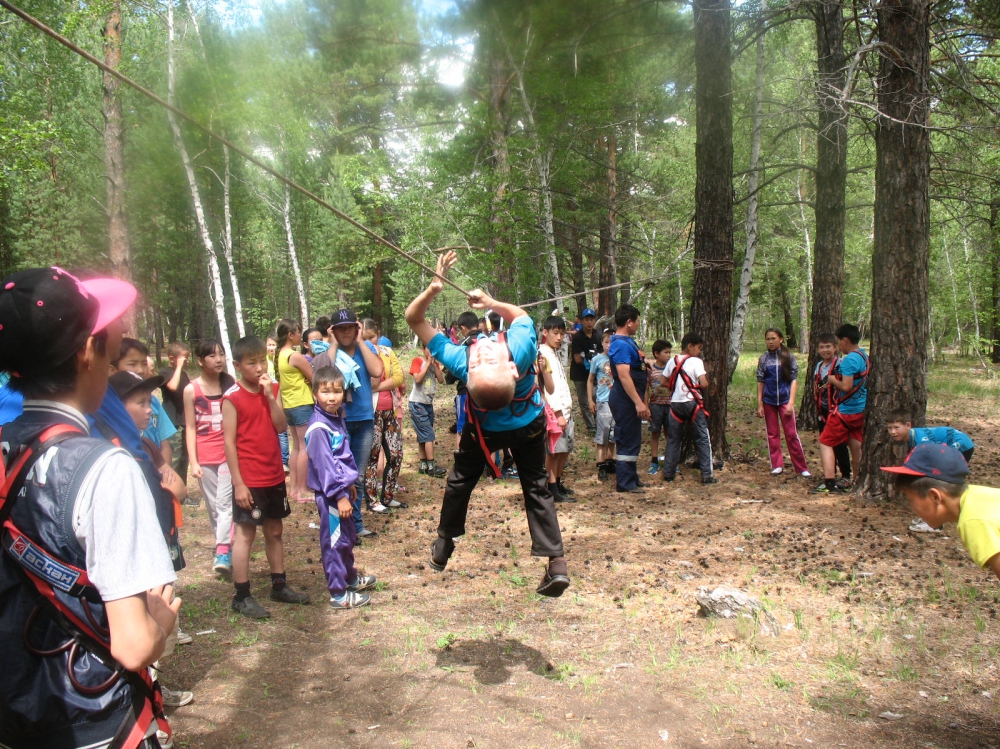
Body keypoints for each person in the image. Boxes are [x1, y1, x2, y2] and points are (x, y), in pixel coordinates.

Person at [0, 267, 179, 748]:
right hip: (96, 721)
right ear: (86, 353)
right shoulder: (106, 468)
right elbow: (134, 645)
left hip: (15, 716)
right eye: (110, 351)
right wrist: (160, 625)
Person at [404, 250, 569, 598]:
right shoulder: (519, 350)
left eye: (481, 362)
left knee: (461, 479)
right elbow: (520, 315)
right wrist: (492, 303)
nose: (480, 354)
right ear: (512, 368)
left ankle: (444, 541)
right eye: (482, 362)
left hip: (485, 431)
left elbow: (413, 319)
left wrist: (434, 288)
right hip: (528, 426)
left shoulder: (462, 360)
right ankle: (556, 561)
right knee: (535, 486)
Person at [107, 370, 194, 709]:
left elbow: (180, 489)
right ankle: (139, 699)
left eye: (151, 403)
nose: (150, 410)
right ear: (114, 407)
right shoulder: (107, 451)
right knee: (137, 626)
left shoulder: (145, 445)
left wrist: (169, 484)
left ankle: (153, 688)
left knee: (160, 623)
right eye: (141, 403)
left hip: (158, 546)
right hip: (130, 558)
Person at [222, 336, 310, 619]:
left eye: (262, 361)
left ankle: (279, 585)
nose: (259, 367)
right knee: (246, 535)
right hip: (249, 480)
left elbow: (281, 426)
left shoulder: (272, 388)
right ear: (237, 366)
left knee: (274, 531)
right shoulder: (232, 397)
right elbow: (228, 443)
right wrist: (238, 483)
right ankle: (241, 595)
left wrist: (271, 397)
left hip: (273, 475)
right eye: (252, 363)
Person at [306, 366, 378, 609]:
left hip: (343, 491)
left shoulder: (336, 419)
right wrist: (339, 495)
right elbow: (325, 467)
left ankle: (349, 578)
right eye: (325, 392)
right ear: (315, 393)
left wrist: (350, 485)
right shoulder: (319, 428)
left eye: (337, 391)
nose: (332, 397)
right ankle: (338, 594)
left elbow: (342, 458)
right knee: (335, 543)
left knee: (347, 538)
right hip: (331, 497)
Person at [882, 444, 1000, 582]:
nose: (911, 507)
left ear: (935, 497)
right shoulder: (980, 495)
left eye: (910, 499)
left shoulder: (974, 521)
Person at [321, 309, 385, 542]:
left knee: (357, 475)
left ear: (357, 329)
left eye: (350, 327)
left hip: (364, 419)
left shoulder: (365, 348)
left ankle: (356, 526)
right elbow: (324, 373)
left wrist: (360, 342)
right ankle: (341, 526)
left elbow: (377, 371)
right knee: (340, 474)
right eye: (341, 328)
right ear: (333, 331)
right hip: (339, 421)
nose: (346, 332)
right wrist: (332, 344)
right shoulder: (329, 352)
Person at [183, 339, 236, 576]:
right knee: (214, 506)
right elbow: (190, 427)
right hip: (204, 456)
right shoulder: (191, 389)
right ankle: (224, 547)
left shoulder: (230, 385)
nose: (218, 360)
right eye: (212, 356)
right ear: (200, 361)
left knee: (224, 504)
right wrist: (193, 461)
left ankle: (222, 551)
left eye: (221, 354)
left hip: (228, 454)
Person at [886, 407, 976, 533]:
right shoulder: (914, 437)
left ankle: (936, 523)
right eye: (889, 428)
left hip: (961, 445)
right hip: (958, 444)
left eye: (896, 427)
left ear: (908, 425)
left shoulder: (921, 441)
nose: (893, 432)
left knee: (934, 480)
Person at [814, 323, 869, 494]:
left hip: (846, 411)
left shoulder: (849, 360)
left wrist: (832, 380)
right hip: (860, 410)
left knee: (825, 442)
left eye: (838, 341)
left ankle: (829, 482)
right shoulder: (863, 355)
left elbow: (846, 386)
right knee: (855, 444)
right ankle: (856, 479)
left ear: (844, 340)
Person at [661, 333, 716, 485]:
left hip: (676, 404)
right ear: (690, 346)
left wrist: (675, 386)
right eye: (699, 348)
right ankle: (707, 475)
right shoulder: (696, 361)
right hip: (693, 404)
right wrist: (695, 386)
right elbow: (704, 383)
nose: (699, 351)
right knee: (702, 438)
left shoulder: (672, 361)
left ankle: (668, 473)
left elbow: (663, 381)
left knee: (673, 439)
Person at [363, 319, 405, 511]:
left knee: (396, 454)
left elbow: (399, 378)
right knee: (372, 456)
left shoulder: (387, 352)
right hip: (370, 412)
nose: (368, 342)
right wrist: (379, 386)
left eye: (371, 337)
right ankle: (372, 500)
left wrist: (377, 387)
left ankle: (388, 495)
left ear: (378, 334)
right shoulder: (359, 354)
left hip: (390, 410)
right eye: (364, 338)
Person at [755, 329, 810, 478]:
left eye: (773, 338)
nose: (770, 342)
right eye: (768, 339)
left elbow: (794, 380)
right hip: (769, 401)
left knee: (791, 434)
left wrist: (791, 402)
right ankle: (776, 465)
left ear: (781, 339)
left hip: (785, 400)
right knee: (772, 433)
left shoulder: (788, 357)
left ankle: (801, 467)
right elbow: (760, 381)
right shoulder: (764, 358)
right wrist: (759, 403)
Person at [608, 304, 649, 493]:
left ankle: (631, 477)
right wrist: (638, 402)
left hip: (631, 398)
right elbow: (624, 376)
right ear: (629, 322)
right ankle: (625, 483)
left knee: (633, 437)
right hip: (625, 400)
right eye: (637, 321)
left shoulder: (627, 342)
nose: (638, 324)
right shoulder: (620, 345)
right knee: (626, 437)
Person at [116, 337, 176, 465]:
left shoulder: (153, 402)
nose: (141, 370)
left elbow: (164, 443)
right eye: (132, 364)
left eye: (144, 364)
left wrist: (164, 471)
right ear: (112, 369)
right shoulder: (109, 405)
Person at [276, 319, 314, 503]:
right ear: (290, 335)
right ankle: (302, 490)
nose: (300, 336)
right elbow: (314, 377)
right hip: (302, 403)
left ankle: (294, 489)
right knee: (305, 447)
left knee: (297, 447)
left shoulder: (280, 355)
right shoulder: (295, 356)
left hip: (289, 404)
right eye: (298, 333)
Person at [539, 315, 575, 502]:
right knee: (553, 451)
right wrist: (558, 413)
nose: (559, 337)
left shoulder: (555, 353)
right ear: (545, 332)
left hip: (566, 409)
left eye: (562, 334)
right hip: (555, 413)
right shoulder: (543, 354)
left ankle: (558, 482)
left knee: (564, 449)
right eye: (555, 333)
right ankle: (551, 487)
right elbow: (548, 389)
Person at [812, 333, 852, 486]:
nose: (825, 350)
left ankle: (846, 475)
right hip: (822, 410)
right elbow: (817, 386)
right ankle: (830, 474)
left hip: (836, 411)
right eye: (821, 347)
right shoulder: (818, 366)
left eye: (828, 346)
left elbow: (844, 384)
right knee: (826, 443)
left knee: (840, 444)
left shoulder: (840, 364)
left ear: (835, 348)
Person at [409, 342, 447, 477]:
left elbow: (441, 380)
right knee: (428, 434)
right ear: (423, 349)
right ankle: (431, 466)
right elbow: (418, 379)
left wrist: (435, 364)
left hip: (428, 404)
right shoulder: (417, 361)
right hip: (417, 403)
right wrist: (426, 364)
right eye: (429, 349)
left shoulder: (434, 364)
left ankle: (423, 464)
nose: (431, 352)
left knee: (423, 435)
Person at [160, 340, 192, 484]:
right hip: (172, 423)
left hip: (184, 422)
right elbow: (172, 387)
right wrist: (178, 367)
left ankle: (182, 490)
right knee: (175, 459)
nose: (187, 361)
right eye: (184, 358)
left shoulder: (183, 374)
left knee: (184, 458)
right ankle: (172, 488)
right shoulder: (165, 372)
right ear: (172, 359)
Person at [588, 328, 617, 482]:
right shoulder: (597, 359)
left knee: (614, 432)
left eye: (612, 342)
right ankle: (601, 464)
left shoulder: (619, 358)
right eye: (606, 342)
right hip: (603, 401)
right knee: (603, 431)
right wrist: (590, 400)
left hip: (617, 401)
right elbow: (590, 380)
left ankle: (610, 460)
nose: (609, 345)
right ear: (602, 343)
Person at [570, 308, 601, 434]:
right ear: (582, 321)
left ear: (594, 320)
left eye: (591, 319)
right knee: (584, 401)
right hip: (580, 374)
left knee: (596, 398)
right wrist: (589, 363)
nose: (589, 322)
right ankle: (591, 427)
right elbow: (577, 358)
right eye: (586, 320)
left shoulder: (598, 336)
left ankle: (599, 423)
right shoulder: (577, 337)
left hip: (595, 375)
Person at [646, 339, 673, 476]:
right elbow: (646, 389)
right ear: (657, 354)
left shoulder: (672, 369)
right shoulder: (650, 370)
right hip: (655, 405)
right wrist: (646, 406)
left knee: (670, 433)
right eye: (666, 352)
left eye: (669, 352)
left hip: (670, 405)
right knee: (655, 433)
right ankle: (654, 460)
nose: (669, 355)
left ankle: (671, 460)